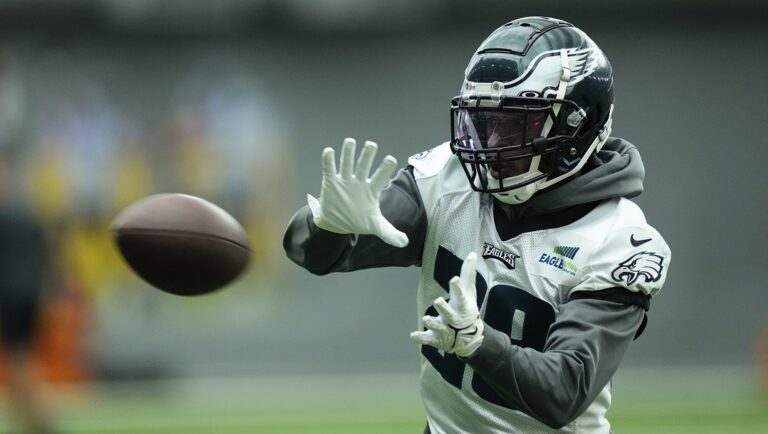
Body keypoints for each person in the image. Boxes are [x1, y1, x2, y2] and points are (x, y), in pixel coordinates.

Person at [283, 16, 671, 433]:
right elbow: (315, 254)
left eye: (513, 127)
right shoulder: (443, 180)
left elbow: (564, 392)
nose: (490, 146)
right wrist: (326, 224)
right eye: (483, 123)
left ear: (576, 127)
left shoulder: (619, 241)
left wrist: (478, 343)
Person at [0, 149, 56, 434]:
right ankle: (26, 421)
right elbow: (49, 255)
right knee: (18, 359)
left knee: (18, 359)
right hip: (31, 294)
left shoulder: (9, 217)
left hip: (10, 296)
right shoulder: (27, 215)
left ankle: (39, 423)